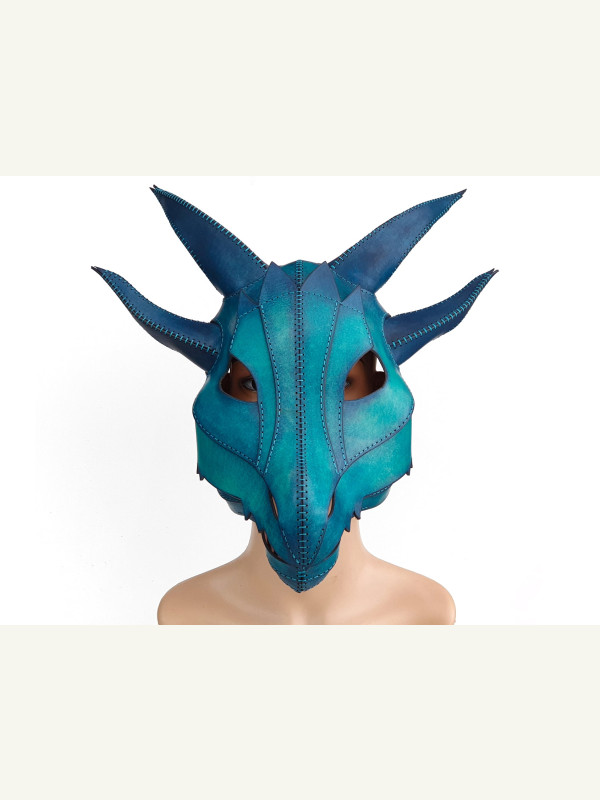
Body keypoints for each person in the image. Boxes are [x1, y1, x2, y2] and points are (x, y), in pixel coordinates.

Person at [157, 354, 456, 625]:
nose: (300, 425)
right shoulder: (183, 615)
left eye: (345, 384)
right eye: (252, 385)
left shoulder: (427, 613)